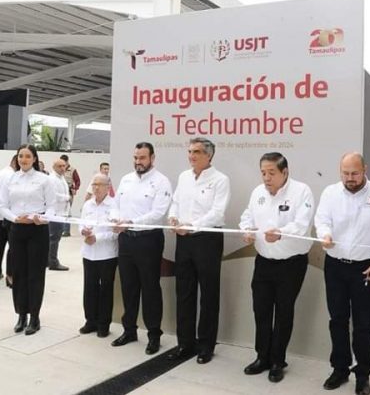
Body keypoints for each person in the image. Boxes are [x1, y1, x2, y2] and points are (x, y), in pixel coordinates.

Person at [314, 152, 370, 394]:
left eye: (354, 173)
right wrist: (324, 234)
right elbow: (322, 220)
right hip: (335, 266)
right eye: (345, 173)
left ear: (365, 170)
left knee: (363, 324)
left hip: (366, 267)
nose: (350, 178)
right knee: (337, 319)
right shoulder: (330, 193)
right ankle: (340, 368)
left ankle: (363, 374)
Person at [239, 152, 314, 383]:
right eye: (263, 172)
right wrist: (246, 230)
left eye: (271, 172)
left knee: (283, 312)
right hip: (263, 261)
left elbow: (302, 224)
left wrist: (281, 233)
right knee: (261, 310)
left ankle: (277, 361)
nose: (266, 177)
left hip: (291, 264)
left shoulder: (302, 191)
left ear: (285, 172)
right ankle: (262, 356)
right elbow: (247, 216)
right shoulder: (257, 192)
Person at [167, 137, 230, 365]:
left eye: (196, 152)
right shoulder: (184, 177)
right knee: (184, 292)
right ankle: (185, 344)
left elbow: (217, 213)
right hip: (183, 240)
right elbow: (175, 202)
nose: (191, 156)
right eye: (190, 151)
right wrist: (173, 217)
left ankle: (206, 346)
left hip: (207, 240)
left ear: (209, 155)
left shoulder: (220, 180)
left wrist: (191, 226)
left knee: (209, 295)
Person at [110, 142, 172, 355]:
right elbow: (115, 205)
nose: (138, 162)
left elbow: (158, 213)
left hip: (149, 240)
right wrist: (116, 219)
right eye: (136, 158)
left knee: (150, 288)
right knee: (128, 287)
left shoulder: (161, 182)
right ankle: (129, 331)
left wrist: (131, 222)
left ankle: (154, 335)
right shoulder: (126, 179)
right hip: (126, 240)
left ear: (152, 158)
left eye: (143, 158)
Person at [0, 144, 56, 336]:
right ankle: (21, 314)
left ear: (34, 159)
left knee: (35, 274)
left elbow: (52, 206)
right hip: (17, 229)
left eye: (28, 156)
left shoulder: (44, 179)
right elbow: (2, 205)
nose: (23, 159)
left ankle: (35, 317)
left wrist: (43, 218)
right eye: (20, 156)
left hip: (37, 229)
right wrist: (15, 219)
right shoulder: (10, 179)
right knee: (19, 273)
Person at [78, 173, 118, 338]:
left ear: (108, 187)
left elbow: (115, 232)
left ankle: (103, 324)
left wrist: (97, 237)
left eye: (99, 184)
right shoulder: (88, 204)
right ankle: (90, 321)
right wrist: (84, 231)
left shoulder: (114, 205)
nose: (96, 188)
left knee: (105, 289)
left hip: (107, 254)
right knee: (89, 288)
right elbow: (80, 223)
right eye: (94, 184)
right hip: (89, 253)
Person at [0, 154, 17, 283]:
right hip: (8, 214)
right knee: (12, 244)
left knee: (0, 243)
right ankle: (10, 274)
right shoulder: (12, 175)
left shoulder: (0, 173)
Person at [47, 158, 71, 271]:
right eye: (59, 166)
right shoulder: (52, 179)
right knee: (54, 238)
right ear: (54, 167)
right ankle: (53, 262)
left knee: (54, 237)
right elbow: (53, 195)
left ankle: (48, 260)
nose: (62, 168)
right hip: (55, 213)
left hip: (61, 213)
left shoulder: (61, 178)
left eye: (64, 166)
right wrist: (67, 197)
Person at [59, 154, 80, 237]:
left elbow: (78, 181)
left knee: (67, 211)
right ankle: (60, 230)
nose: (63, 165)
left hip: (68, 192)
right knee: (59, 211)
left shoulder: (72, 170)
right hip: (60, 192)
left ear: (67, 161)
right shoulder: (58, 169)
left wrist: (75, 188)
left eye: (64, 162)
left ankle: (66, 231)